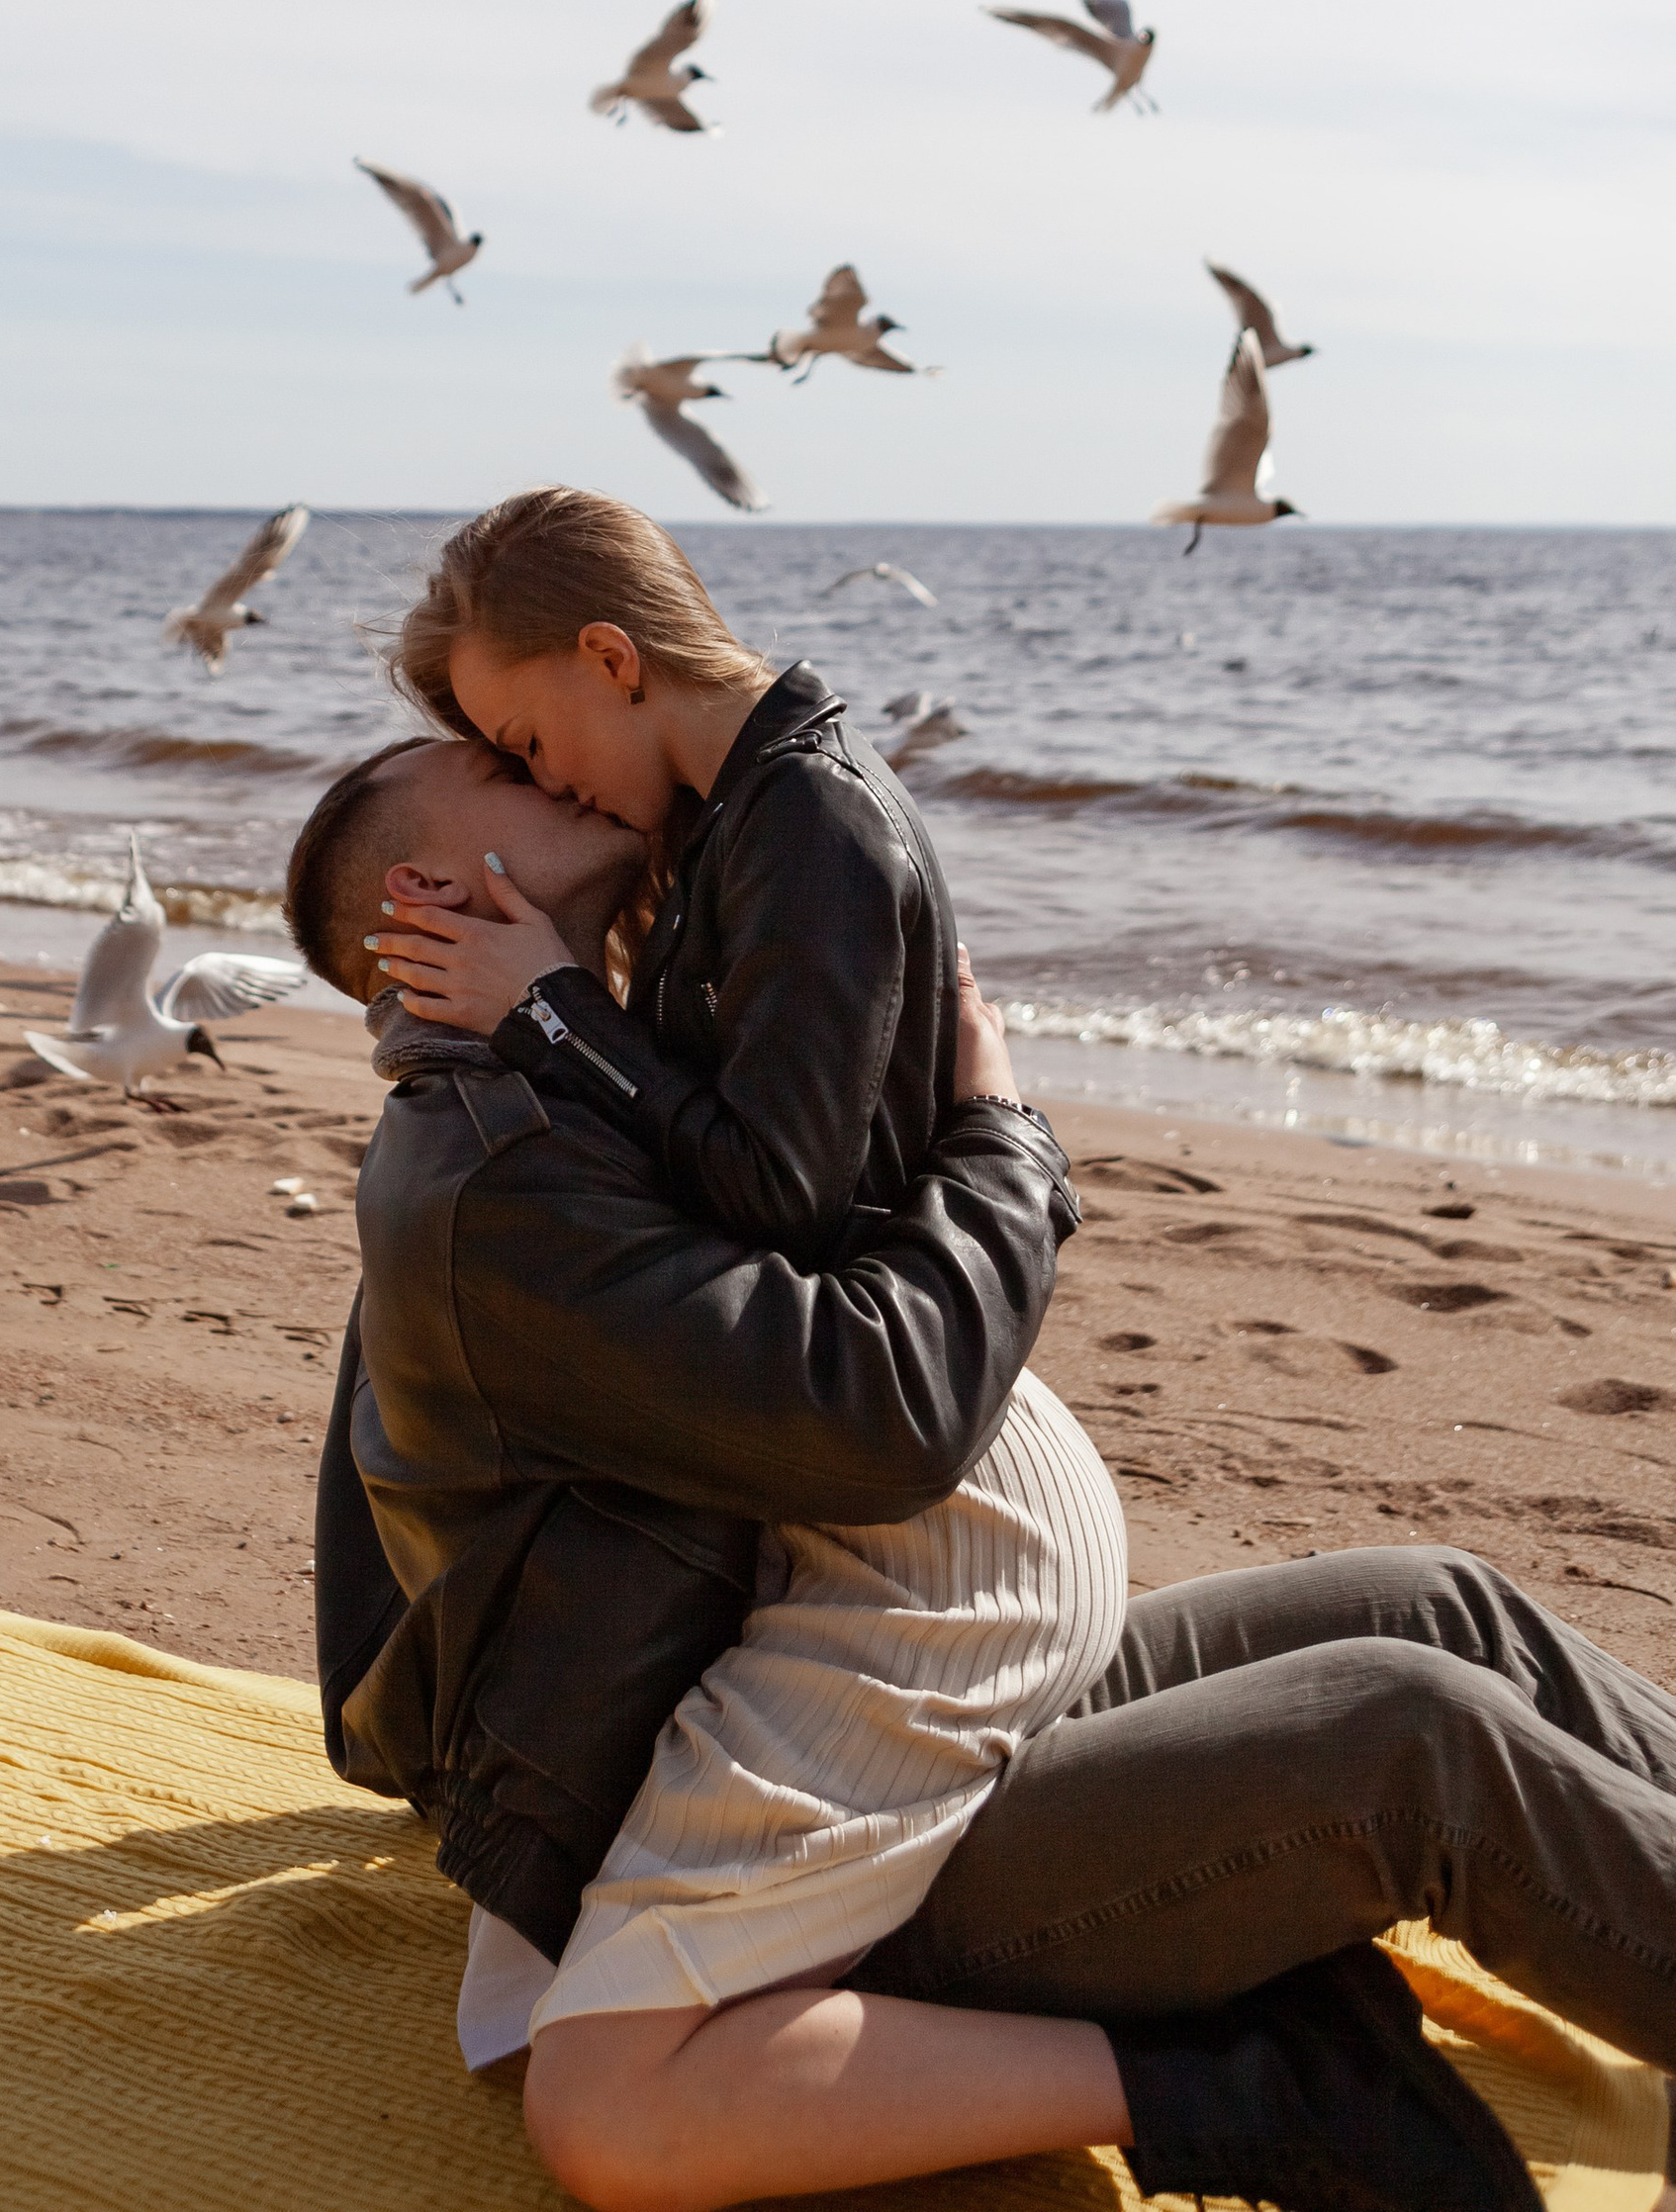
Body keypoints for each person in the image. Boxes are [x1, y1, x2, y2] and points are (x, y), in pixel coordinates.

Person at [294, 724, 1676, 2212]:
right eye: (512, 771)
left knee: (1437, 1606)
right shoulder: (502, 1173)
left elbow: (386, 1510)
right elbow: (881, 1408)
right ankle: (1283, 2073)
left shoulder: (568, 1082)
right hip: (836, 1823)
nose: (559, 768)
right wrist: (1003, 1139)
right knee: (1410, 1737)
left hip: (930, 1696)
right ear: (432, 894)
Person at [368, 490, 1134, 2057]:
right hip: (829, 1410)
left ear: (611, 656)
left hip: (891, 1447)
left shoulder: (810, 824)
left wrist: (557, 1008)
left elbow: (778, 1198)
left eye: (529, 737)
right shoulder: (733, 817)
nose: (539, 778)